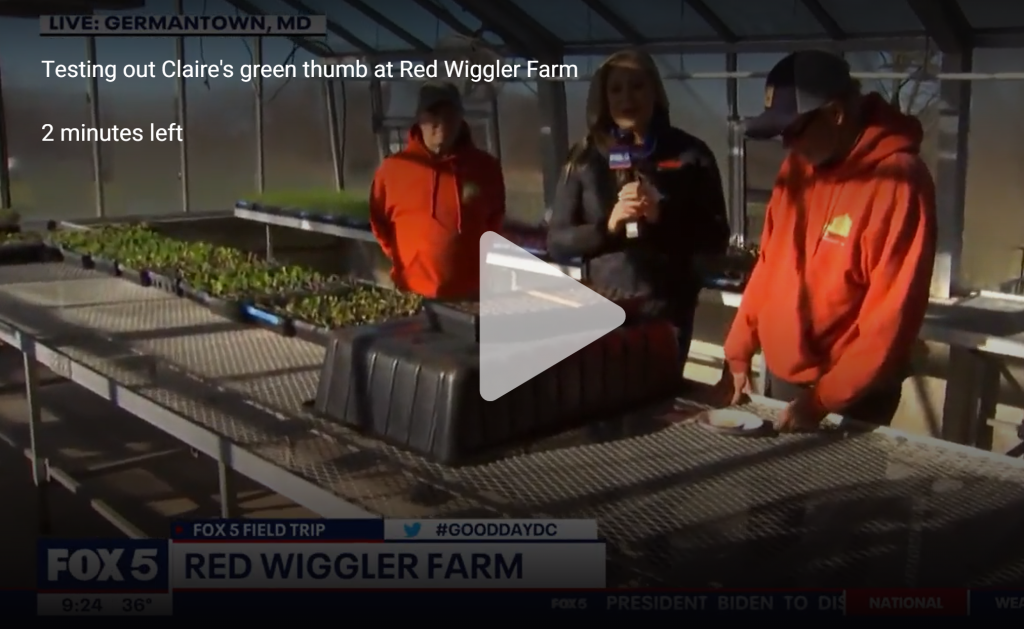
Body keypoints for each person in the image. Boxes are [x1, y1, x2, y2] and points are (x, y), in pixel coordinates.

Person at [719, 50, 937, 431]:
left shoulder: (898, 181)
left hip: (853, 396)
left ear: (835, 114)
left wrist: (824, 399)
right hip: (786, 377)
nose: (787, 144)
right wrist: (739, 348)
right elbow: (770, 264)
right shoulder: (797, 170)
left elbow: (892, 314)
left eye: (794, 130)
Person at [546, 49, 731, 371]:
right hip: (604, 306)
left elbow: (716, 237)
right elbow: (557, 241)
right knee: (606, 392)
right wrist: (608, 227)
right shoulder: (584, 157)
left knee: (660, 395)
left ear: (655, 91)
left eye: (637, 86)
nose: (627, 98)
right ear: (603, 98)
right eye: (616, 89)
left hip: (668, 312)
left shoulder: (691, 154)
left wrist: (661, 218)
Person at [369, 81, 505, 300]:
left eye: (449, 115)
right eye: (433, 114)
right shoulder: (393, 169)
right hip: (411, 293)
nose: (441, 123)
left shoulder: (485, 167)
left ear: (460, 119)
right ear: (419, 119)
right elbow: (379, 222)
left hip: (471, 294)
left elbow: (495, 219)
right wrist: (407, 259)